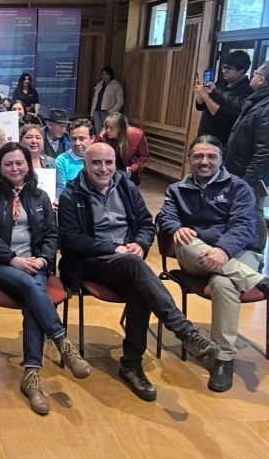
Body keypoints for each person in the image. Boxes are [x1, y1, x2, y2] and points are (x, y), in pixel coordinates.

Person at [58, 143, 219, 402]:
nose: (103, 168)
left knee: (139, 288)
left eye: (108, 163)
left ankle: (131, 365)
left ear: (115, 164)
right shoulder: (71, 195)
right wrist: (114, 247)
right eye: (96, 163)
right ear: (85, 166)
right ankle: (184, 331)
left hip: (127, 262)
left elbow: (146, 224)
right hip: (90, 263)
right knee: (135, 267)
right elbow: (70, 240)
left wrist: (140, 244)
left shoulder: (126, 186)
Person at [0, 142, 90, 414]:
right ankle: (62, 341)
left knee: (32, 302)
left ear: (28, 165)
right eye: (8, 164)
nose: (15, 168)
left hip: (35, 264)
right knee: (29, 285)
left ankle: (32, 377)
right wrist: (14, 259)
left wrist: (45, 259)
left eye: (19, 163)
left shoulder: (39, 196)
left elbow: (51, 234)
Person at [158, 136, 269, 392]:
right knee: (184, 240)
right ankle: (259, 282)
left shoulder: (239, 187)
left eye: (211, 156)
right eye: (198, 156)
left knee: (223, 283)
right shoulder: (176, 190)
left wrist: (223, 250)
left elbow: (243, 227)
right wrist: (176, 228)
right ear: (190, 160)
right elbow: (166, 217)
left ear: (221, 159)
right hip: (195, 255)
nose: (204, 161)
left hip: (238, 253)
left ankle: (223, 359)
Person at [223, 61, 269, 251]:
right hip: (239, 169)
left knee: (253, 211)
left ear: (262, 80)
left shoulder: (266, 108)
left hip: (249, 174)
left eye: (256, 73)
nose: (253, 76)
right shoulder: (257, 100)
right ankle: (238, 246)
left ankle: (256, 253)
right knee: (242, 209)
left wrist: (249, 180)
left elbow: (264, 150)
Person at [195, 50, 252, 147]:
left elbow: (222, 115)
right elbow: (200, 106)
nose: (224, 71)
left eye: (228, 68)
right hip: (204, 132)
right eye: (223, 67)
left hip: (221, 139)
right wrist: (201, 93)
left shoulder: (246, 90)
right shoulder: (221, 82)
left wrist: (205, 96)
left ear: (241, 69)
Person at [96, 112, 149, 185]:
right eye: (106, 127)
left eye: (111, 128)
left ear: (121, 129)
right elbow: (93, 153)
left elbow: (143, 156)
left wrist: (132, 168)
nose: (107, 130)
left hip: (129, 170)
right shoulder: (103, 136)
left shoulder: (137, 135)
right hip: (107, 169)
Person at [18, 124, 63, 198]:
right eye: (29, 137)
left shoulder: (51, 162)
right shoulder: (13, 161)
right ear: (20, 140)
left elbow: (59, 185)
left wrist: (56, 198)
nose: (34, 141)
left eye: (38, 138)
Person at [54, 118, 94, 195]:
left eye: (82, 139)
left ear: (92, 138)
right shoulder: (61, 161)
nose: (77, 143)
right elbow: (62, 190)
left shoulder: (100, 158)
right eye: (73, 139)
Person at [90, 66, 124, 134]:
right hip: (97, 111)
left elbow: (120, 102)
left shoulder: (116, 86)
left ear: (110, 75)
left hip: (106, 112)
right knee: (98, 132)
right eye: (103, 74)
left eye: (106, 74)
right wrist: (92, 113)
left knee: (106, 131)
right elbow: (95, 99)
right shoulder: (99, 84)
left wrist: (111, 112)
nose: (104, 76)